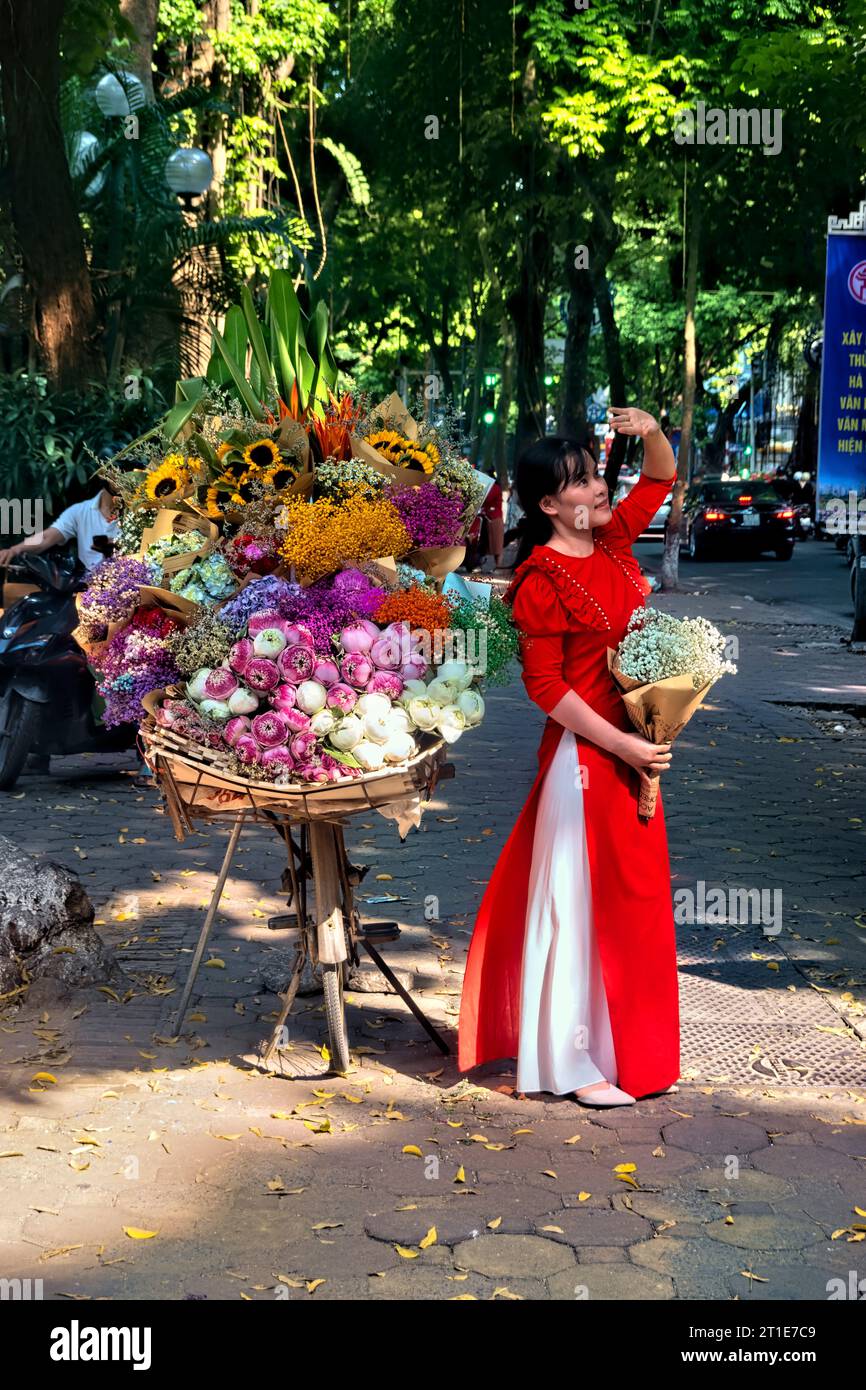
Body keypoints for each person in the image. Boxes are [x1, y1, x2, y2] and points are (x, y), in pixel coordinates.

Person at [457, 407, 680, 1108]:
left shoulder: (613, 542)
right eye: (581, 481)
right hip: (586, 761)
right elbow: (546, 687)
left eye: (594, 473)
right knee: (579, 906)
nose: (598, 487)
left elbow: (660, 476)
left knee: (635, 903)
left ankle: (626, 1051)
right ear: (550, 504)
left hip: (636, 749)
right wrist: (622, 745)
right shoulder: (541, 578)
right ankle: (571, 1061)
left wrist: (647, 430)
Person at [0, 481, 123, 573]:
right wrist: (15, 550)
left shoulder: (140, 512)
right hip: (88, 589)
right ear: (104, 474)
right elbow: (46, 537)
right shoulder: (80, 511)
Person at [479, 470, 505, 570]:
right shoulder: (492, 487)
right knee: (488, 543)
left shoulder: (494, 487)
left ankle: (498, 566)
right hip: (487, 517)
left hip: (494, 518)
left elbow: (487, 498)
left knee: (497, 544)